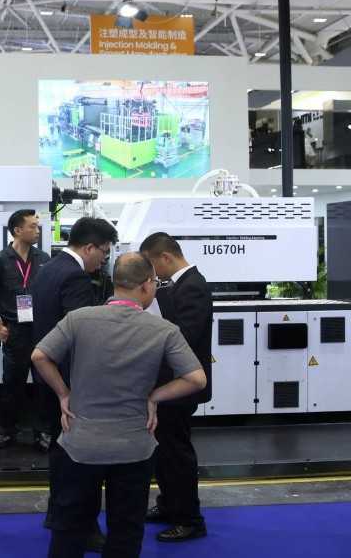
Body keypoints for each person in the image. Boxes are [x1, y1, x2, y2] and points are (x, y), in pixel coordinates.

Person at [32, 253, 207, 558]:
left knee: (69, 529)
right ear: (147, 285)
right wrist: (154, 397)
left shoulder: (78, 319)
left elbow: (39, 356)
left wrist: (63, 393)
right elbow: (196, 379)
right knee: (126, 531)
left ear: (116, 282)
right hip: (134, 447)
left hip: (80, 444)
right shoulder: (164, 330)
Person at [30, 216, 118, 554]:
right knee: (80, 460)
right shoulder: (75, 278)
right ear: (90, 247)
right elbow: (81, 333)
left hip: (47, 373)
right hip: (70, 379)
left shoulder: (47, 269)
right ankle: (82, 527)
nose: (104, 260)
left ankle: (59, 516)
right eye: (104, 252)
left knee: (60, 450)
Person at [139, 232, 213, 543]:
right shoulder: (178, 286)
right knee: (165, 451)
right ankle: (169, 504)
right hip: (170, 381)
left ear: (165, 258)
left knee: (177, 454)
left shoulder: (192, 286)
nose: (151, 273)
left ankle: (189, 519)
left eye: (151, 265)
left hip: (181, 384)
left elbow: (184, 337)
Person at [0, 209, 52, 450]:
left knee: (43, 383)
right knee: (12, 383)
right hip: (15, 331)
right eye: (33, 226)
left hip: (40, 331)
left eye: (37, 226)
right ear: (17, 230)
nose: (37, 230)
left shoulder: (44, 259)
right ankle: (8, 431)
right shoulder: (0, 260)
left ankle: (42, 432)